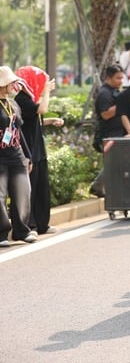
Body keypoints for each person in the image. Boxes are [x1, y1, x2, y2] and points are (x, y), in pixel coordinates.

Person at [15, 66, 64, 236]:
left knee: (42, 189)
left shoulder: (29, 99)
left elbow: (35, 119)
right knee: (31, 190)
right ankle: (31, 226)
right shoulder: (21, 99)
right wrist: (47, 92)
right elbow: (40, 110)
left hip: (39, 150)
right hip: (29, 151)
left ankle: (43, 224)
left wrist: (51, 121)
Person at [0, 67, 36, 247]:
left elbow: (18, 131)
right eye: (11, 82)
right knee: (0, 196)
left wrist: (27, 156)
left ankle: (22, 231)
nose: (15, 85)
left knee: (23, 192)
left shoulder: (13, 104)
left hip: (16, 155)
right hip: (0, 158)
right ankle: (2, 234)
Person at [90, 64, 125, 197]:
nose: (121, 81)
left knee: (117, 163)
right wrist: (122, 103)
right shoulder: (105, 93)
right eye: (118, 78)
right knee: (113, 163)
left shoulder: (114, 91)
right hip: (109, 136)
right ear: (109, 78)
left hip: (116, 134)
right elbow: (105, 114)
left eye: (122, 78)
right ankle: (97, 185)